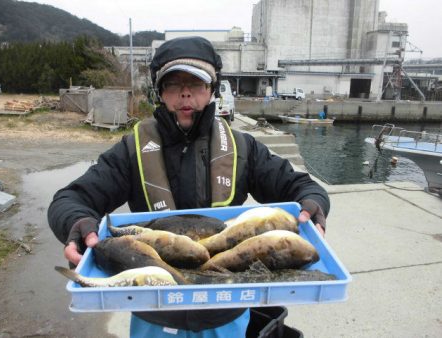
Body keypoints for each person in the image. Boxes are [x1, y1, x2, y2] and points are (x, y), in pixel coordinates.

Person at [48, 36, 330, 338]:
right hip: (153, 313)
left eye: (196, 84)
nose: (185, 94)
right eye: (173, 84)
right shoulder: (131, 151)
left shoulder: (243, 148)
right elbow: (70, 199)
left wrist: (313, 201)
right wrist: (77, 222)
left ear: (211, 90)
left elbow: (299, 186)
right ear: (161, 93)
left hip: (225, 314)